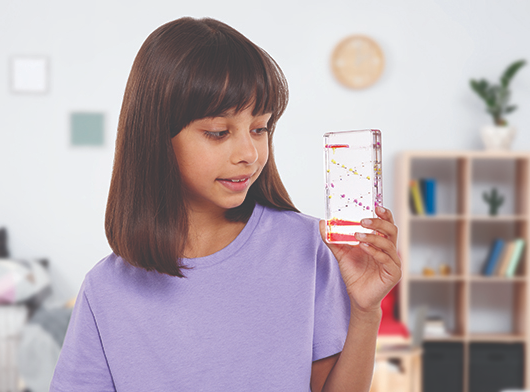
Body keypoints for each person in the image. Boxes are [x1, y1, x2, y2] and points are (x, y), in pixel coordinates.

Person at [49, 16, 401, 392]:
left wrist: (366, 312)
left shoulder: (309, 248)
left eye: (260, 128)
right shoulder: (105, 291)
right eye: (218, 132)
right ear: (156, 137)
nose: (249, 153)